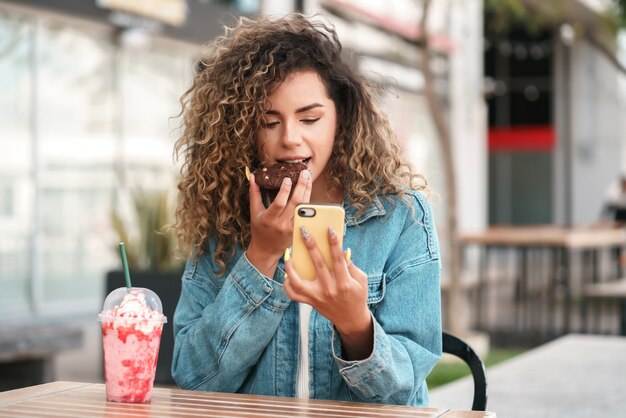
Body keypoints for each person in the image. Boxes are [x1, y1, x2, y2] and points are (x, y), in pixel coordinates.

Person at [171, 14, 441, 406]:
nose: (290, 139)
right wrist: (261, 254)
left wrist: (355, 325)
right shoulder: (226, 216)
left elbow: (403, 392)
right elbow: (196, 379)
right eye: (269, 122)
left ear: (340, 118)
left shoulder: (400, 217)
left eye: (310, 118)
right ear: (245, 127)